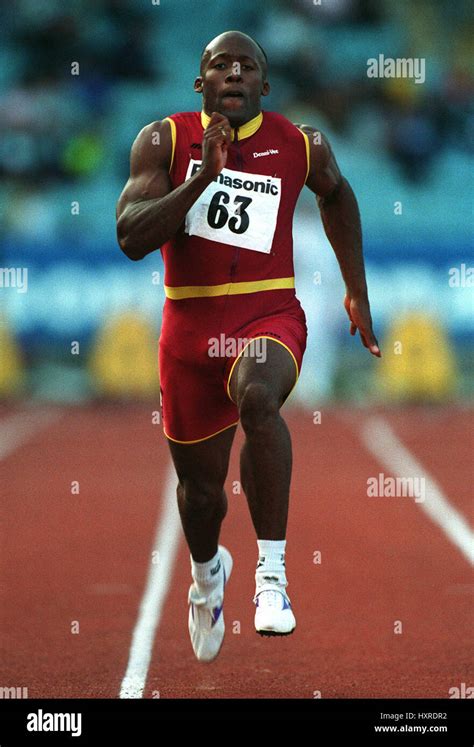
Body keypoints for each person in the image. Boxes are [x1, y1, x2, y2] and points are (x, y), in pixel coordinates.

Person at [116, 30, 380, 662]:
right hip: (189, 335)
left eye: (247, 66)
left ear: (265, 85)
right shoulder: (164, 140)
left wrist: (356, 292)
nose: (233, 73)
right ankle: (209, 575)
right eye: (218, 65)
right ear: (199, 83)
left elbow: (338, 193)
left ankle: (272, 579)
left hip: (270, 315)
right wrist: (202, 181)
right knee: (200, 500)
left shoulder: (300, 144)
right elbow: (129, 236)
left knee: (260, 399)